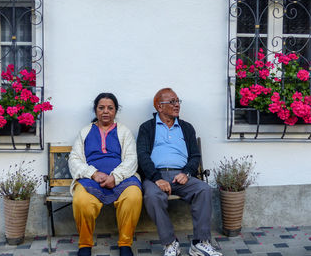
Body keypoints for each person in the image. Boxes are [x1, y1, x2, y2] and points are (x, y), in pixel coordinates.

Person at [136, 88, 222, 256]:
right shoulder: (147, 128)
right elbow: (142, 155)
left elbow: (195, 155)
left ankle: (200, 242)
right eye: (172, 102)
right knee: (152, 196)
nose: (177, 105)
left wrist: (187, 173)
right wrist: (156, 178)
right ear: (159, 107)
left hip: (181, 176)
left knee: (203, 189)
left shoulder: (186, 128)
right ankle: (170, 243)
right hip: (156, 176)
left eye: (178, 101)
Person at [68, 93, 142, 256]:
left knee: (134, 197)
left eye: (110, 108)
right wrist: (93, 173)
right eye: (101, 108)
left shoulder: (124, 132)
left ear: (116, 111)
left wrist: (115, 177)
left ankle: (125, 244)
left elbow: (131, 159)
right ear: (95, 111)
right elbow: (74, 159)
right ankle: (85, 245)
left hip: (123, 179)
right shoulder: (85, 132)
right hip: (91, 180)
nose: (105, 111)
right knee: (81, 201)